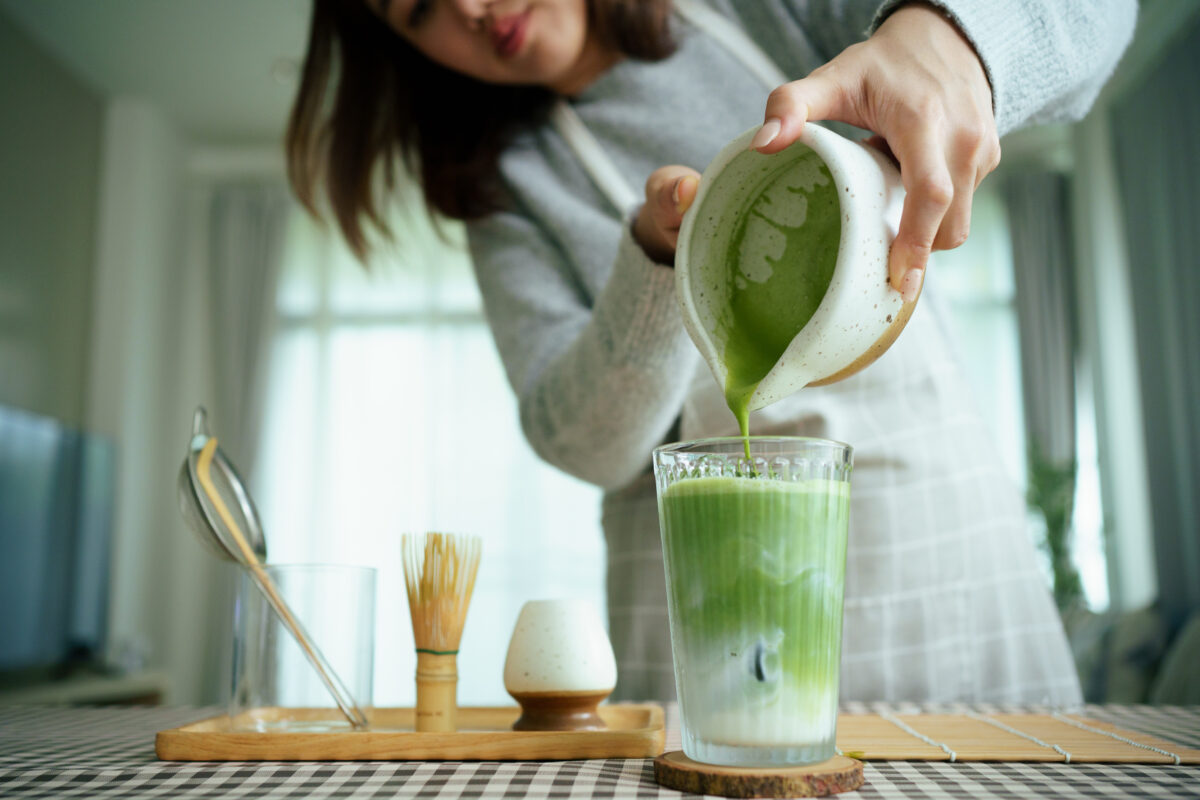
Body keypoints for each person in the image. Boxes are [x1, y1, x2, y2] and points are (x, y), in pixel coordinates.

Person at [286, 0, 1135, 703]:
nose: (469, 9)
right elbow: (580, 440)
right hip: (702, 633)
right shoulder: (507, 183)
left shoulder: (758, 12)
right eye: (420, 12)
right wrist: (655, 265)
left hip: (942, 574)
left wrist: (948, 41)